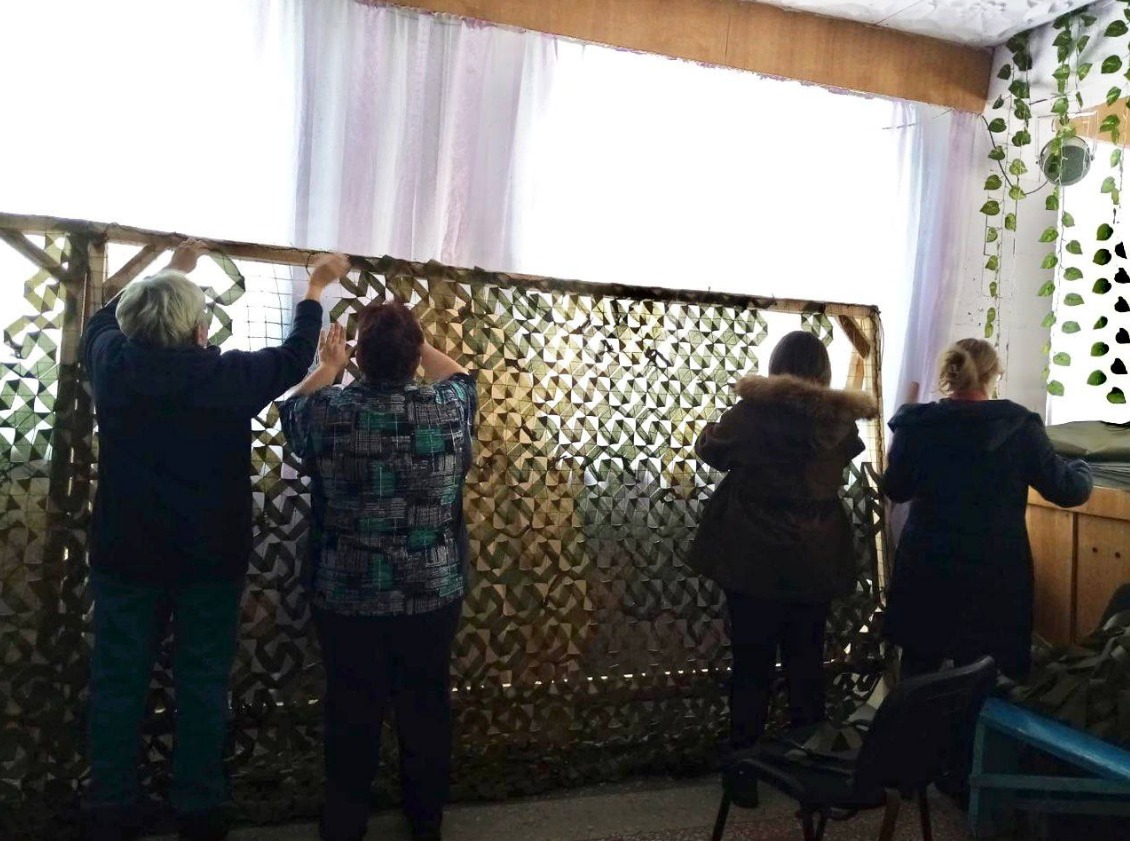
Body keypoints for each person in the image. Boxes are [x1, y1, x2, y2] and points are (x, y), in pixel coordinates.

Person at [81, 242, 349, 841]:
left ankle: (109, 808)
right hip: (210, 558)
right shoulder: (226, 377)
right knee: (203, 682)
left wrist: (172, 269)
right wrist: (315, 288)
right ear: (200, 330)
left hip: (125, 554)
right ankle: (199, 808)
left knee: (118, 682)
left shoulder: (112, 365)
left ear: (132, 327)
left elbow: (100, 320)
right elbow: (295, 355)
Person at [279, 301, 477, 841]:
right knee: (426, 709)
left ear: (359, 358)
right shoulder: (447, 409)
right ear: (414, 356)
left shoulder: (329, 412)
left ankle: (344, 824)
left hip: (347, 596)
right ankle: (425, 820)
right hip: (432, 593)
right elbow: (463, 377)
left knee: (351, 712)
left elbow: (290, 410)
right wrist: (416, 342)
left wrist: (329, 366)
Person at [688, 331, 878, 749]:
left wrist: (709, 430)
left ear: (776, 367)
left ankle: (744, 766)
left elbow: (711, 450)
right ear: (823, 371)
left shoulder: (751, 414)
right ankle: (807, 760)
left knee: (751, 666)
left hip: (751, 561)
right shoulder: (838, 423)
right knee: (806, 665)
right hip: (817, 560)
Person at [883, 338, 1093, 681]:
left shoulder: (916, 424)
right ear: (994, 374)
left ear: (949, 373)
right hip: (994, 572)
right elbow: (1068, 491)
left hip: (927, 567)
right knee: (991, 678)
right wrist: (1082, 465)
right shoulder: (1018, 426)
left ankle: (911, 719)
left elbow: (896, 489)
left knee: (919, 670)